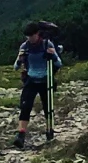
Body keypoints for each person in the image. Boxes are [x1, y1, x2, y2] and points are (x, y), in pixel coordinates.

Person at [11, 21, 62, 149]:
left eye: (31, 36)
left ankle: (49, 131)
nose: (29, 39)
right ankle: (21, 135)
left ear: (37, 34)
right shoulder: (25, 46)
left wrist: (53, 56)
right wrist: (19, 59)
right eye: (27, 37)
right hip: (31, 79)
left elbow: (59, 64)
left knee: (47, 107)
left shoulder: (47, 44)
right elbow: (16, 67)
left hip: (46, 80)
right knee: (25, 106)